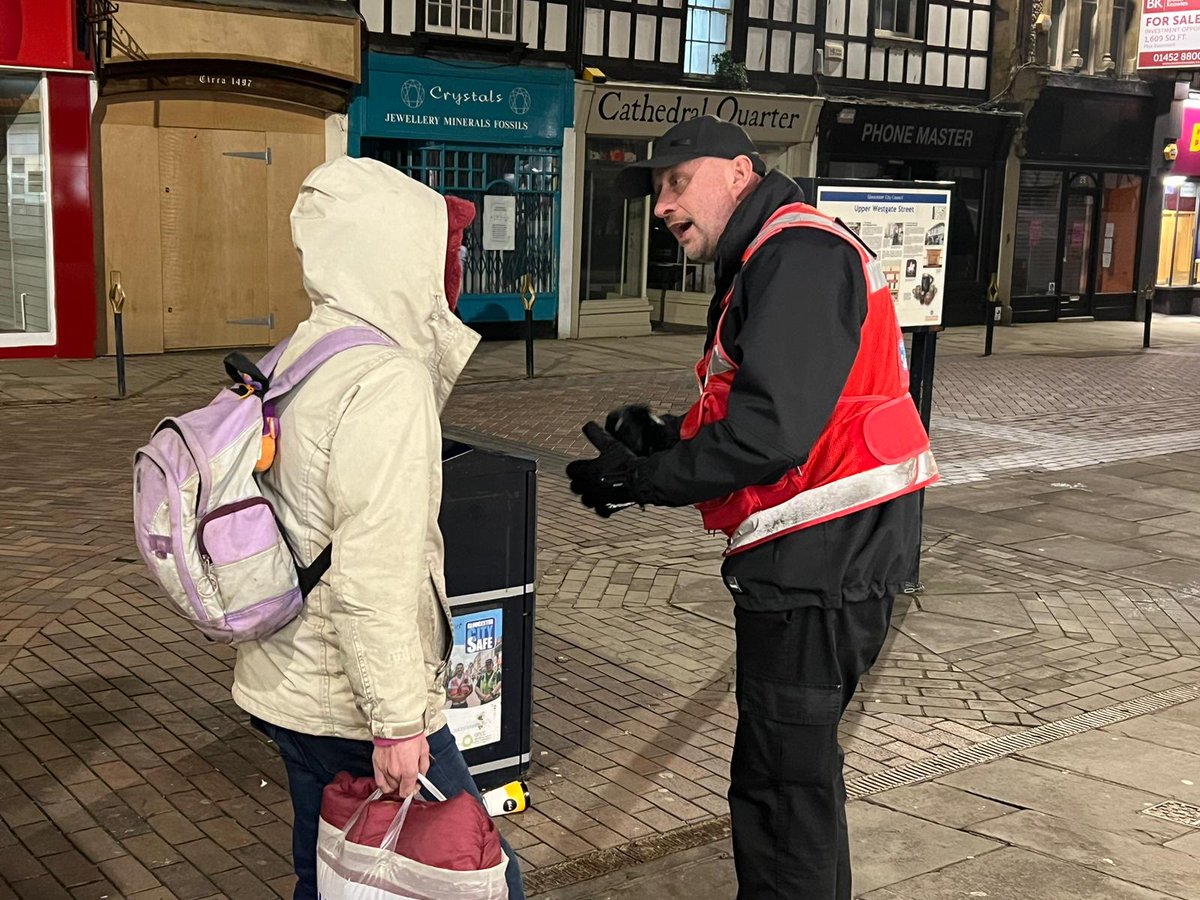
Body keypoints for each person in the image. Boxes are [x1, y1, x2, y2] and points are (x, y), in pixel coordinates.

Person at [565, 116, 937, 900]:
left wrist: (645, 479)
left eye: (676, 182)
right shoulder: (776, 256)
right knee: (797, 783)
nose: (662, 205)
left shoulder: (796, 255)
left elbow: (771, 433)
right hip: (826, 559)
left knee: (778, 795)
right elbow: (773, 413)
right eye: (655, 191)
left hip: (820, 563)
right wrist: (662, 443)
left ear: (740, 172)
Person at [230, 156, 525, 900]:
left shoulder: (300, 355)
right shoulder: (384, 379)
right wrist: (397, 724)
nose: (452, 270)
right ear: (398, 256)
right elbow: (375, 571)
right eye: (443, 251)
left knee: (327, 872)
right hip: (355, 703)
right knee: (482, 877)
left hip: (291, 683)